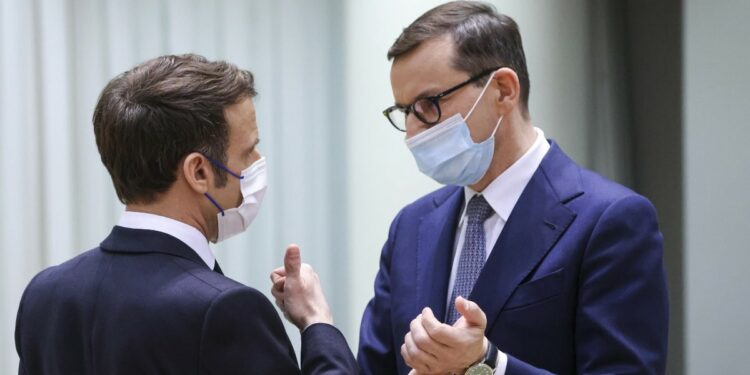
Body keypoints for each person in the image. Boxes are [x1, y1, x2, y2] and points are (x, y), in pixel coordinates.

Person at [357, 2, 669, 374]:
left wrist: (488, 364)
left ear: (503, 90)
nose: (412, 130)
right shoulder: (410, 227)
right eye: (404, 110)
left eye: (429, 104)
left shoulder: (610, 220)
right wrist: (316, 323)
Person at [15, 54, 357, 374]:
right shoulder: (226, 310)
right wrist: (317, 320)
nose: (258, 162)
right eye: (249, 150)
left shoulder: (44, 295)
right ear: (198, 172)